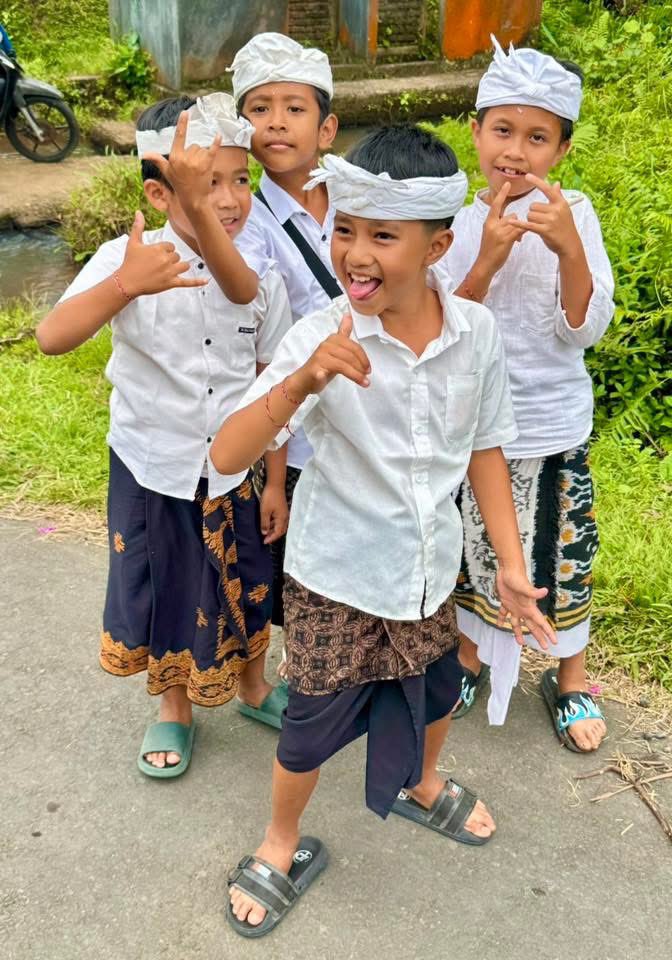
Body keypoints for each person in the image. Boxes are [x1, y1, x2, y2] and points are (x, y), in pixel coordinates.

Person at [211, 125, 557, 937]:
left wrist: (508, 564)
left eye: (382, 236)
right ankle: (281, 838)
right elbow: (226, 453)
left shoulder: (477, 335)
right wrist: (302, 379)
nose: (355, 254)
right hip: (336, 574)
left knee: (435, 689)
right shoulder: (321, 335)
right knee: (310, 723)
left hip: (431, 571)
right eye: (344, 230)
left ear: (439, 243)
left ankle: (425, 782)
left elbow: (486, 450)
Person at [36, 94, 292, 778]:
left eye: (242, 180)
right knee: (167, 584)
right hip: (153, 465)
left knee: (250, 577)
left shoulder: (259, 273)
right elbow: (52, 337)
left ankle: (254, 685)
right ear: (157, 191)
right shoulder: (128, 258)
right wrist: (124, 284)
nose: (233, 199)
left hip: (238, 471)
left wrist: (278, 477)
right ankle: (174, 705)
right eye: (210, 184)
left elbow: (273, 380)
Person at [437, 37, 614, 752]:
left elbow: (585, 329)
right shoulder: (455, 219)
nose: (516, 150)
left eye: (537, 137)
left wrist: (567, 246)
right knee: (475, 555)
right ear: (475, 133)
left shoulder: (577, 212)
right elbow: (441, 322)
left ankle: (569, 678)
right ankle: (471, 658)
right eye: (502, 130)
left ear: (561, 151)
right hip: (478, 432)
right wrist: (488, 255)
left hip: (551, 425)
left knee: (564, 558)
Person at [230, 32, 341, 637]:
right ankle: (307, 687)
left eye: (295, 108)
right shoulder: (246, 223)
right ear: (239, 124)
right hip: (298, 438)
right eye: (259, 108)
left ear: (326, 129)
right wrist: (275, 476)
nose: (276, 122)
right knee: (298, 576)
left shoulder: (357, 198)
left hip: (369, 421)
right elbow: (261, 355)